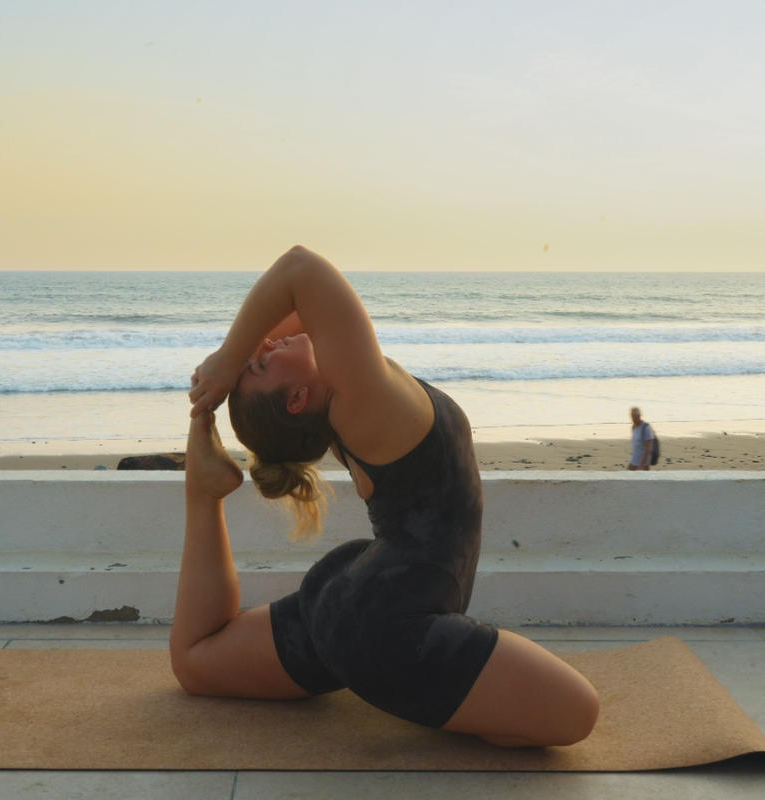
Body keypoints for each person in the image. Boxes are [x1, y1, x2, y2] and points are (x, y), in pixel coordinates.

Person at [179, 246, 598, 747]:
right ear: (297, 399)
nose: (268, 345)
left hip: (354, 600)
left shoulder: (338, 400)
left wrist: (230, 376)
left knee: (195, 660)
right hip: (389, 627)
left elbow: (282, 315)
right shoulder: (361, 401)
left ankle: (201, 494)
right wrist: (228, 362)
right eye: (263, 363)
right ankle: (438, 690)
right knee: (577, 713)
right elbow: (300, 269)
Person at [627, 407, 656, 471]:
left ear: (639, 416)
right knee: (629, 475)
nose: (633, 418)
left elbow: (649, 447)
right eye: (632, 416)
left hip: (643, 460)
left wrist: (642, 463)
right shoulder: (633, 427)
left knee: (645, 477)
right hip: (634, 458)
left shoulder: (645, 427)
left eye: (635, 416)